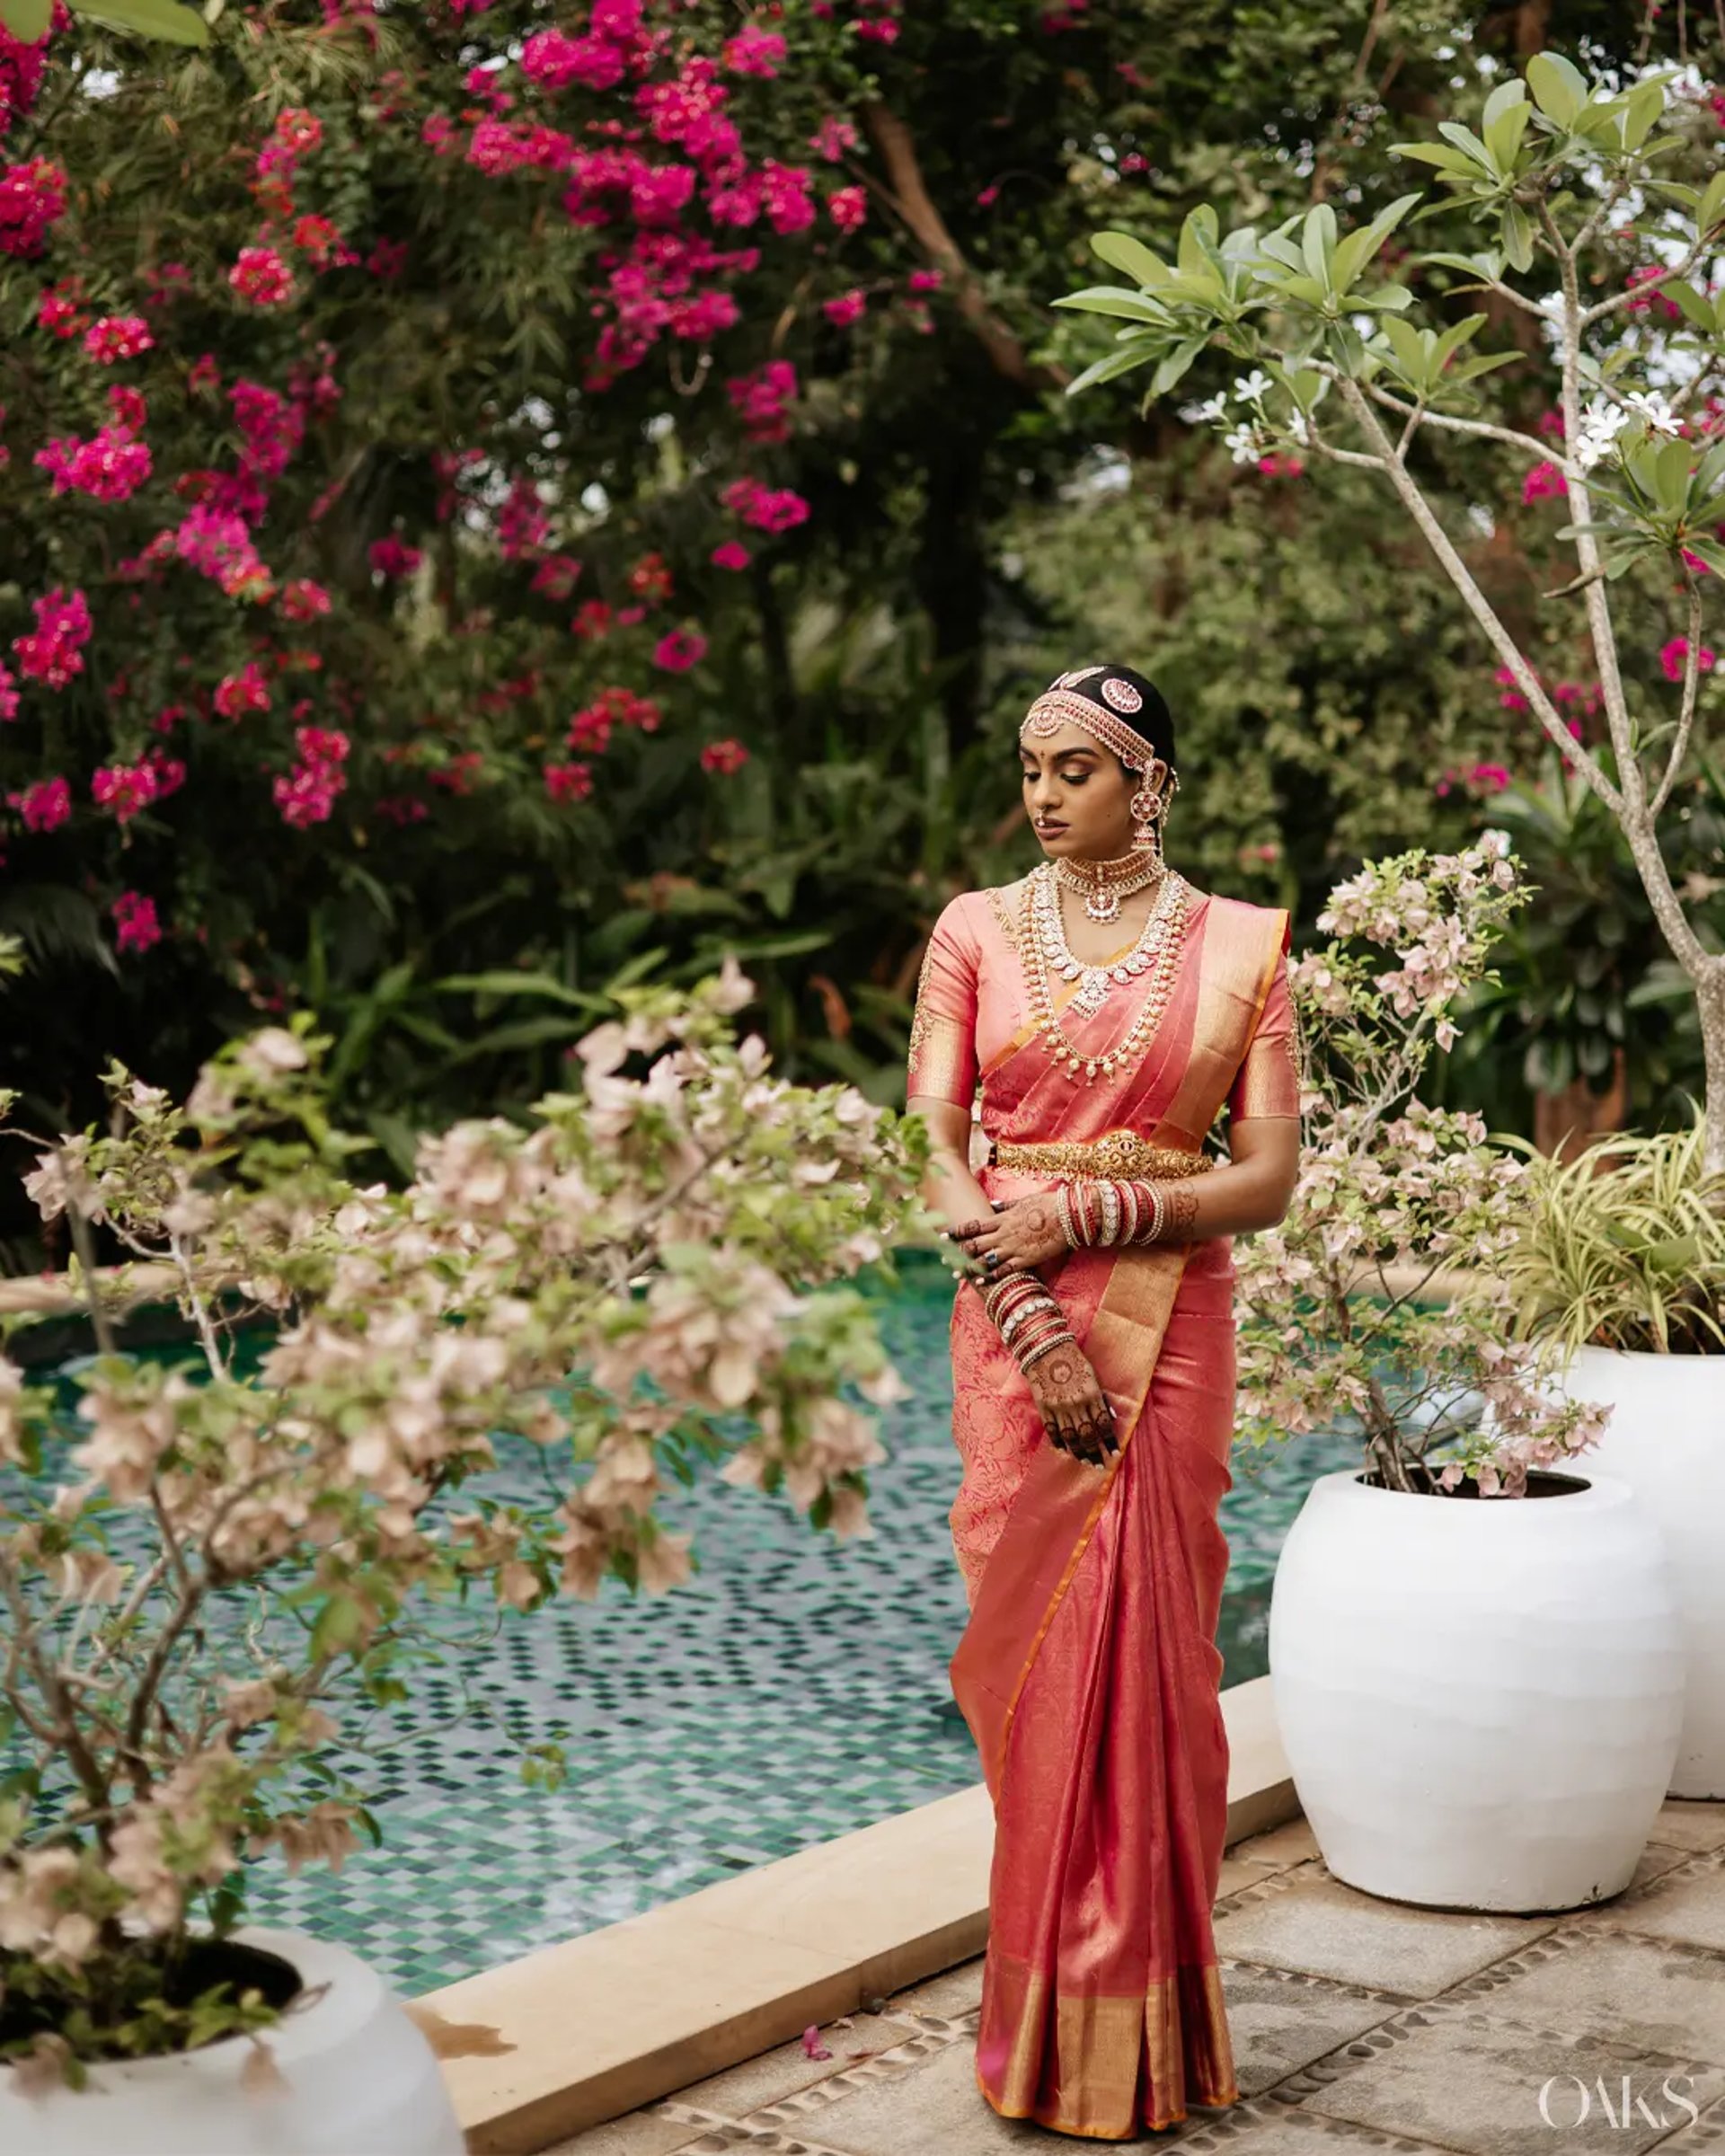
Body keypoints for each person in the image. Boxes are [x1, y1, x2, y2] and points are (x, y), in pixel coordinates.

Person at [905, 662, 1303, 2142]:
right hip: (1014, 1327)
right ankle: (1048, 2037)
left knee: (1155, 1665)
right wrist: (1030, 1318)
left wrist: (1086, 1215)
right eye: (1031, 769)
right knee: (1044, 1674)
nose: (1042, 795)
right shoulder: (970, 931)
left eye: (1074, 770)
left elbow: (1268, 1179)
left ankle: (1145, 2041)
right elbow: (934, 1148)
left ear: (1150, 786)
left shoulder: (1244, 948)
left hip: (1169, 1324)